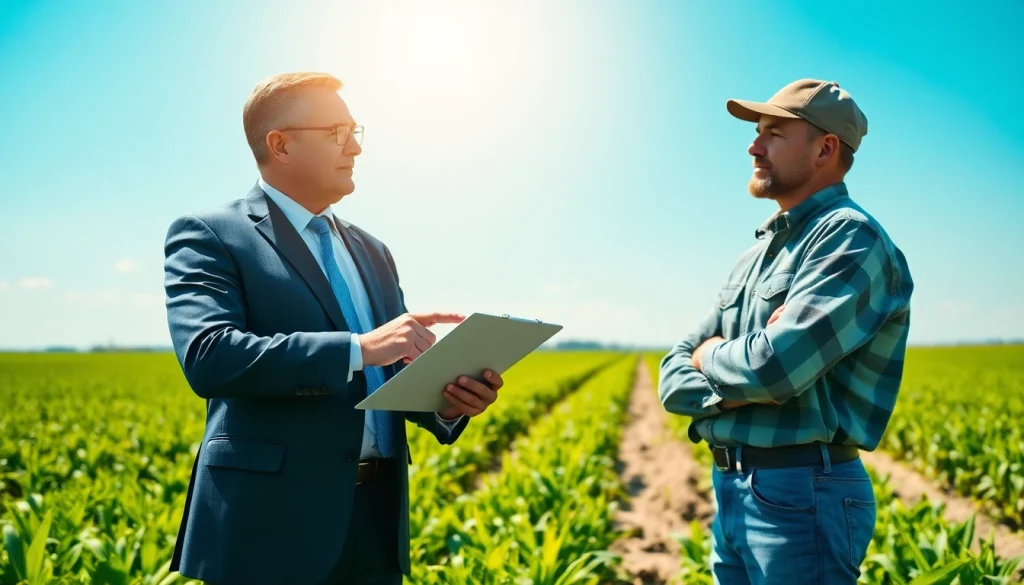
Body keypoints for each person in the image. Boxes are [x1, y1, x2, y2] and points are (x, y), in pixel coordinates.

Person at [163, 71, 504, 585]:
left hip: (374, 524)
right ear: (280, 144)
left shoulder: (373, 250)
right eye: (337, 133)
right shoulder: (211, 234)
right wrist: (357, 347)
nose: (356, 148)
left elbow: (386, 371)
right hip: (268, 528)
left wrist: (447, 401)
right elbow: (210, 356)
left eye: (354, 132)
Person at [658, 78, 914, 584]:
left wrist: (710, 357)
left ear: (825, 148)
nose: (754, 147)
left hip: (802, 492)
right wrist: (739, 370)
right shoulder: (755, 255)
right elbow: (671, 377)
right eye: (757, 133)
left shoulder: (849, 238)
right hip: (732, 488)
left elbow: (773, 368)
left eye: (773, 134)